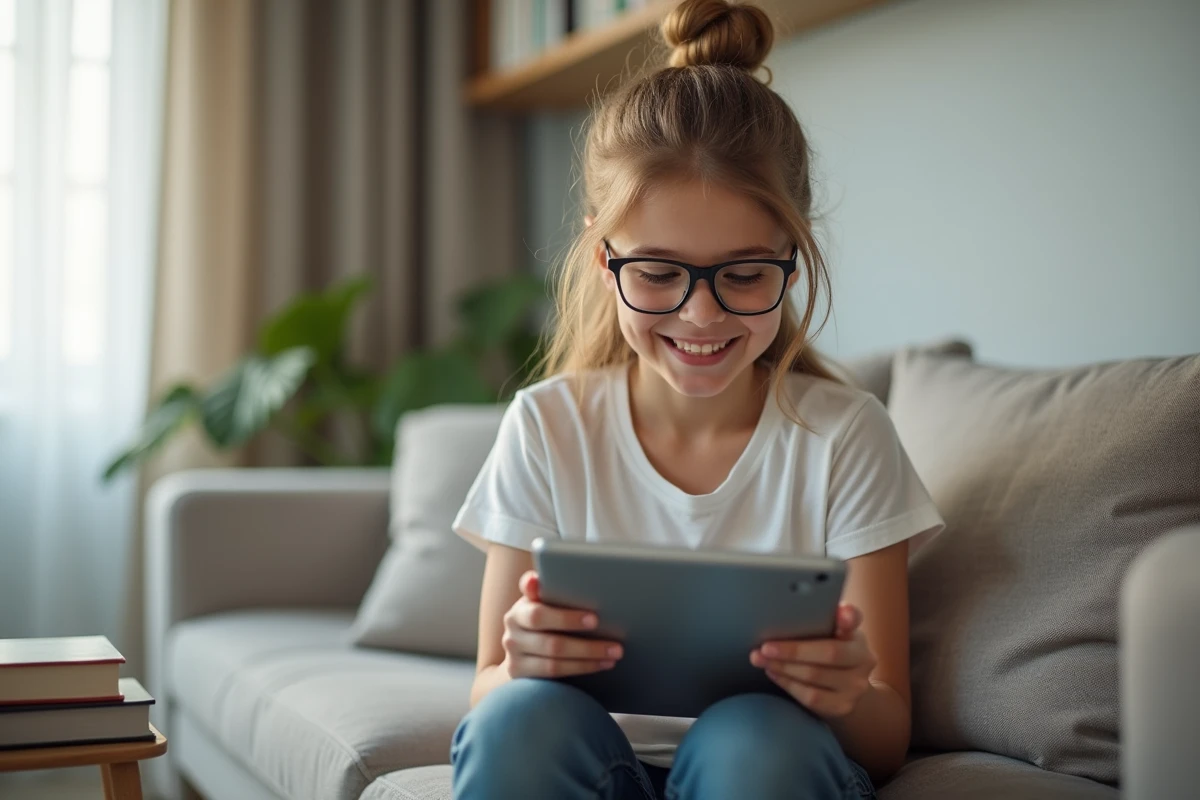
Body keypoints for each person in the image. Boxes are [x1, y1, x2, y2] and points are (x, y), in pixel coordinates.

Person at [448, 1, 944, 797]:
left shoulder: (845, 436)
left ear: (794, 252)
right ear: (603, 259)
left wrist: (847, 694)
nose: (702, 315)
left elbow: (885, 740)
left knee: (756, 737)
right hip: (582, 760)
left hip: (771, 769)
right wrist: (520, 665)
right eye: (657, 273)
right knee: (515, 721)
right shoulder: (548, 426)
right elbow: (485, 696)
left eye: (745, 274)